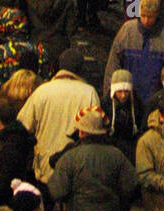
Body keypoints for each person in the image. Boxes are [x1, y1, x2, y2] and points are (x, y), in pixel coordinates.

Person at [46, 104, 138, 211]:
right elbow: (131, 186)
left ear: (81, 133)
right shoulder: (117, 155)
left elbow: (57, 191)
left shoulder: (69, 157)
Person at [16, 49, 101, 184]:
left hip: (44, 169)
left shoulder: (42, 91)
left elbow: (22, 125)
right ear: (81, 69)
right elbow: (96, 131)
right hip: (78, 171)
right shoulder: (89, 93)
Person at [102, 0, 164, 106]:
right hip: (128, 98)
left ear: (157, 15)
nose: (146, 20)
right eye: (143, 16)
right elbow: (113, 66)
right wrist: (109, 96)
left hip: (155, 99)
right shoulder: (127, 31)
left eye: (150, 17)